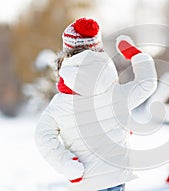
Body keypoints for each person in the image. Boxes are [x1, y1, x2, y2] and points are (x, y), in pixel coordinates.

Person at [35, 17, 157, 191]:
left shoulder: (61, 103)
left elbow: (42, 136)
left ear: (66, 55)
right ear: (98, 49)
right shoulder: (117, 95)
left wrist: (67, 165)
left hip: (86, 182)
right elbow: (147, 83)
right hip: (116, 177)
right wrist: (136, 55)